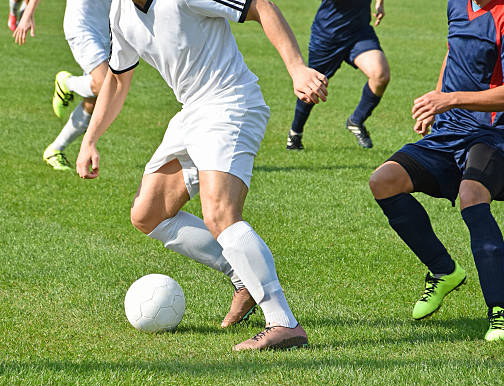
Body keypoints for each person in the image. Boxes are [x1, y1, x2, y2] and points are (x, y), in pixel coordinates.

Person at [76, 0, 328, 351]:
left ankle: (283, 322)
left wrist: (298, 68)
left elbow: (259, 5)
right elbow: (117, 80)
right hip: (191, 113)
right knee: (147, 214)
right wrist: (90, 139)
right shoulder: (119, 13)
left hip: (230, 103)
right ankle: (245, 280)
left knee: (220, 214)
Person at [369, 0, 504, 341]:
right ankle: (443, 269)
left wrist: (450, 99)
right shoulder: (457, 5)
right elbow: (453, 51)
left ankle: (501, 313)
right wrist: (438, 97)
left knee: (471, 194)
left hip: (495, 135)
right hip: (449, 130)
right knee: (383, 181)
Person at [14, 0, 112, 172]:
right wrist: (28, 13)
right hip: (82, 27)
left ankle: (55, 149)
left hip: (107, 30)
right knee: (105, 85)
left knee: (94, 99)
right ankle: (66, 83)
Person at [286, 0, 389, 150]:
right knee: (312, 87)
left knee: (381, 75)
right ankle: (295, 133)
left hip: (360, 33)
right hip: (328, 35)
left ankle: (356, 120)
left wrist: (379, 4)